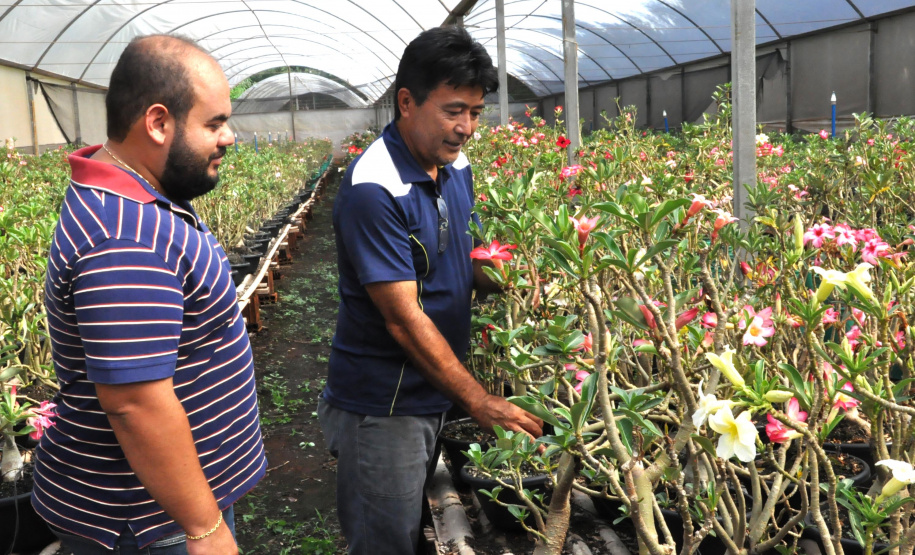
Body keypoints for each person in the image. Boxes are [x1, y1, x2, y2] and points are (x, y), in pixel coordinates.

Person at [33, 34, 266, 555]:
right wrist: (205, 528)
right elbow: (136, 403)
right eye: (213, 123)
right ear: (158, 123)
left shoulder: (138, 197)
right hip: (150, 522)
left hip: (164, 511)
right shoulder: (125, 235)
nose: (228, 137)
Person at [318, 25, 543, 555]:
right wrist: (479, 400)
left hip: (430, 393)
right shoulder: (375, 188)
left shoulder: (451, 163)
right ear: (406, 101)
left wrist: (513, 277)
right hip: (384, 407)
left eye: (475, 112)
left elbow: (460, 251)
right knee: (384, 542)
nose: (466, 127)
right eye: (452, 110)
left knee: (411, 529)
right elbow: (402, 318)